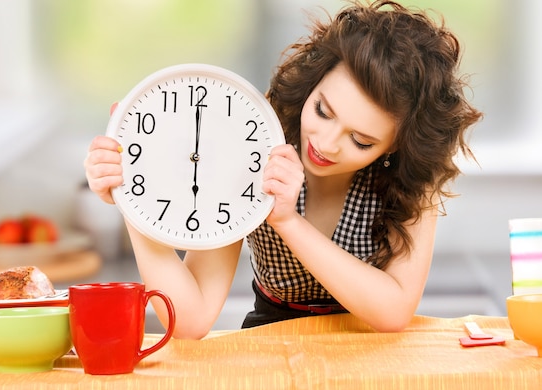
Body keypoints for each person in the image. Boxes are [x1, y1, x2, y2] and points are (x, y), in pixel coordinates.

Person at [84, 0, 482, 339]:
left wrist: (288, 221)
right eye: (323, 110)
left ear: (398, 146)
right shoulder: (256, 138)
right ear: (313, 83)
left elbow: (393, 312)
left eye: (361, 141)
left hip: (370, 349)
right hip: (271, 339)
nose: (325, 144)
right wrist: (131, 202)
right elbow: (191, 318)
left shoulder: (416, 179)